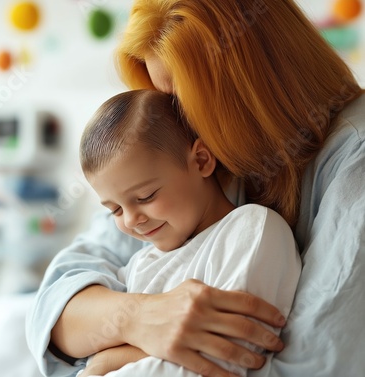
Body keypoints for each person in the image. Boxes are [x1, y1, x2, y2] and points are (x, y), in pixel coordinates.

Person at [27, 0, 365, 376]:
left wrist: (110, 358)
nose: (178, 125)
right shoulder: (177, 175)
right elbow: (56, 306)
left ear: (250, 81)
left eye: (185, 103)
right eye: (168, 101)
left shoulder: (353, 164)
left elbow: (309, 364)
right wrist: (138, 318)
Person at [75, 89, 301, 377]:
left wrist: (109, 362)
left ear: (202, 161)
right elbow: (90, 345)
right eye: (115, 210)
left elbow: (223, 358)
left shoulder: (250, 230)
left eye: (145, 196)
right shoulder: (141, 263)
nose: (131, 220)